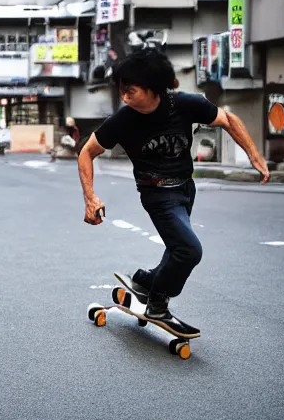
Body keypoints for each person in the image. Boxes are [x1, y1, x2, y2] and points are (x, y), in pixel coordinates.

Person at [77, 48, 270, 321]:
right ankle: (158, 299)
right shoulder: (123, 120)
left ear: (152, 87)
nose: (124, 96)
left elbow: (227, 119)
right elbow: (87, 152)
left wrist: (254, 154)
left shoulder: (182, 104)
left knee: (176, 248)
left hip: (185, 190)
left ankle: (145, 280)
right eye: (121, 89)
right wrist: (90, 198)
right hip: (156, 195)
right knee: (189, 250)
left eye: (130, 90)